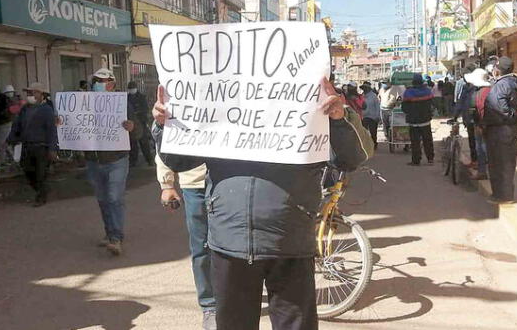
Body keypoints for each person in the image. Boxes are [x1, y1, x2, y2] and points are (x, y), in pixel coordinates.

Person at [152, 77, 374, 330]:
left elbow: (354, 157)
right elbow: (178, 161)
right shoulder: (218, 99)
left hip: (290, 239)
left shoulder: (310, 93)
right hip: (230, 239)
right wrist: (164, 126)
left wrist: (338, 119)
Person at [156, 156, 216, 329]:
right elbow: (165, 139)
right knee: (202, 246)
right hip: (194, 183)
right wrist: (167, 184)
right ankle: (209, 305)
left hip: (231, 180)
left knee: (235, 243)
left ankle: (235, 296)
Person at [85, 69, 135, 256]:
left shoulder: (122, 104)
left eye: (103, 81)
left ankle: (116, 237)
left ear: (112, 84)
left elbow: (137, 131)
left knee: (114, 198)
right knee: (103, 199)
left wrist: (131, 126)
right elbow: (75, 126)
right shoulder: (85, 104)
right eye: (96, 80)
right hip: (94, 160)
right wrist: (62, 123)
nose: (98, 83)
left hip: (117, 160)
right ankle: (109, 233)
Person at [7, 82, 58, 207]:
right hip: (27, 146)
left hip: (41, 147)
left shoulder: (47, 110)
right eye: (29, 93)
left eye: (34, 92)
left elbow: (51, 130)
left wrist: (52, 149)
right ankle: (42, 190)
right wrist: (11, 139)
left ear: (41, 94)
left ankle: (41, 196)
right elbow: (17, 125)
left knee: (40, 173)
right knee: (27, 170)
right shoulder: (25, 109)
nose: (30, 95)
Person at [482, 57, 517, 204]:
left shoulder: (501, 84)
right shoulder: (514, 82)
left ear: (498, 69)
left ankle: (502, 196)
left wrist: (512, 116)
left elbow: (498, 105)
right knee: (507, 162)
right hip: (509, 128)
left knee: (499, 163)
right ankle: (505, 194)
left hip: (500, 129)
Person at [462, 68, 490, 180]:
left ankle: (482, 172)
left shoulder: (477, 94)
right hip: (492, 124)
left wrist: (479, 124)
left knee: (482, 149)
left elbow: (475, 110)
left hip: (481, 124)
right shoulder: (492, 90)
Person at [402, 74, 435, 166]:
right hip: (425, 121)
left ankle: (416, 160)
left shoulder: (408, 92)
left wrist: (411, 113)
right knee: (427, 141)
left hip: (413, 122)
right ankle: (430, 159)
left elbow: (404, 108)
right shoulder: (428, 92)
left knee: (415, 142)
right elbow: (432, 105)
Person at [453, 64, 478, 167]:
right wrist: (455, 116)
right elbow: (460, 102)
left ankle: (481, 164)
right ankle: (475, 161)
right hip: (469, 118)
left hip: (479, 119)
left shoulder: (479, 86)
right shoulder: (465, 87)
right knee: (472, 141)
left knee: (480, 143)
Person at [127, 81, 154, 167]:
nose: (132, 90)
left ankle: (149, 160)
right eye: (130, 88)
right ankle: (133, 161)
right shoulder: (127, 98)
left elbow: (145, 109)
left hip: (141, 122)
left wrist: (138, 113)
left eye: (133, 88)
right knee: (132, 144)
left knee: (144, 143)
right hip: (131, 123)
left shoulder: (142, 97)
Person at [361, 84, 380, 149]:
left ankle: (374, 143)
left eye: (365, 88)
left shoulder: (374, 96)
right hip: (364, 116)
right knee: (364, 132)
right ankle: (366, 144)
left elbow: (377, 107)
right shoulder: (362, 96)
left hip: (373, 117)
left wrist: (377, 116)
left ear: (368, 88)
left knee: (373, 132)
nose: (364, 89)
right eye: (363, 88)